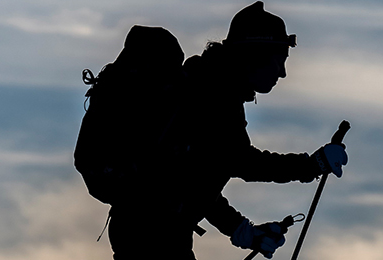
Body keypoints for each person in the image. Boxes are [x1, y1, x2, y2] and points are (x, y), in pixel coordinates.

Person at [105, 2, 348, 259]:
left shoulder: (206, 82)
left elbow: (193, 180)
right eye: (280, 61)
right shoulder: (214, 92)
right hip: (154, 236)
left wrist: (242, 230)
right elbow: (244, 162)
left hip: (145, 231)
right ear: (256, 54)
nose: (283, 73)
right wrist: (312, 165)